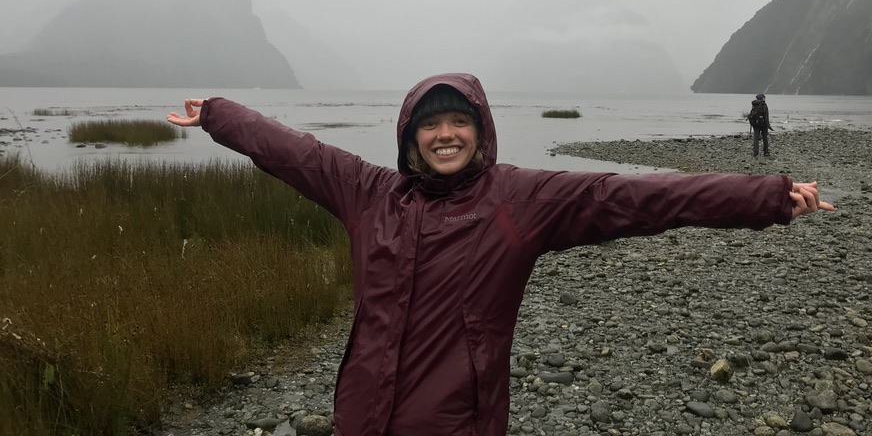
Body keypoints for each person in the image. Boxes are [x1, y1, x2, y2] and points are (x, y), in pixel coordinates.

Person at [168, 72, 833, 436]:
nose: (445, 133)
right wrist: (219, 115)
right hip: (362, 418)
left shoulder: (518, 202)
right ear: (410, 138)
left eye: (459, 121)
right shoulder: (372, 197)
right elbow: (295, 152)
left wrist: (765, 198)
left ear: (480, 132)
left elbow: (638, 197)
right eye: (430, 123)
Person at [748, 92, 773, 158]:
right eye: (764, 97)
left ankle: (755, 152)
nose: (765, 98)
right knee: (765, 137)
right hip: (763, 124)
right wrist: (768, 125)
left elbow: (752, 114)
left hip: (755, 124)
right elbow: (766, 116)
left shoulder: (754, 104)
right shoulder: (764, 105)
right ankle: (766, 152)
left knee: (756, 137)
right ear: (762, 98)